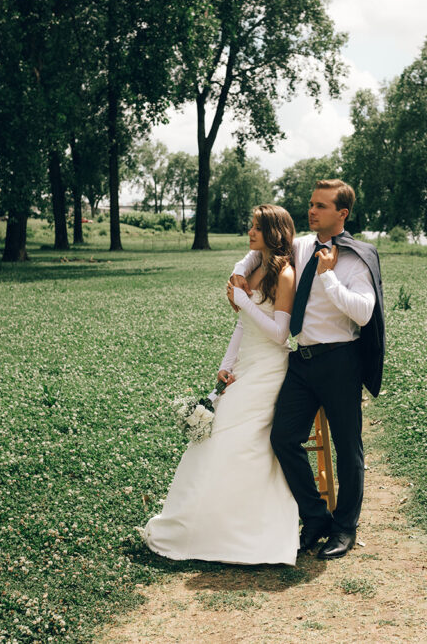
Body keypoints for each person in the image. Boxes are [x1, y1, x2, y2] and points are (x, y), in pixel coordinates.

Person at [229, 179, 385, 560]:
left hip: (340, 361)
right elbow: (262, 253)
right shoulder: (300, 247)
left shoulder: (356, 258)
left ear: (341, 213)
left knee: (347, 447)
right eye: (311, 204)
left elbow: (364, 313)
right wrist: (238, 269)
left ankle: (345, 527)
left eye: (321, 206)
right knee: (283, 437)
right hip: (302, 360)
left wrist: (329, 277)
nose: (311, 211)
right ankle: (315, 516)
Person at [142, 205, 300, 565]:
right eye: (251, 226)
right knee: (215, 435)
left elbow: (279, 334)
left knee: (240, 439)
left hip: (271, 366)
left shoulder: (285, 274)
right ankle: (202, 522)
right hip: (246, 364)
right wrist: (225, 366)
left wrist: (243, 299)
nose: (250, 232)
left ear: (274, 231)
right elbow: (243, 325)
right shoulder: (255, 268)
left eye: (257, 227)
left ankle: (250, 530)